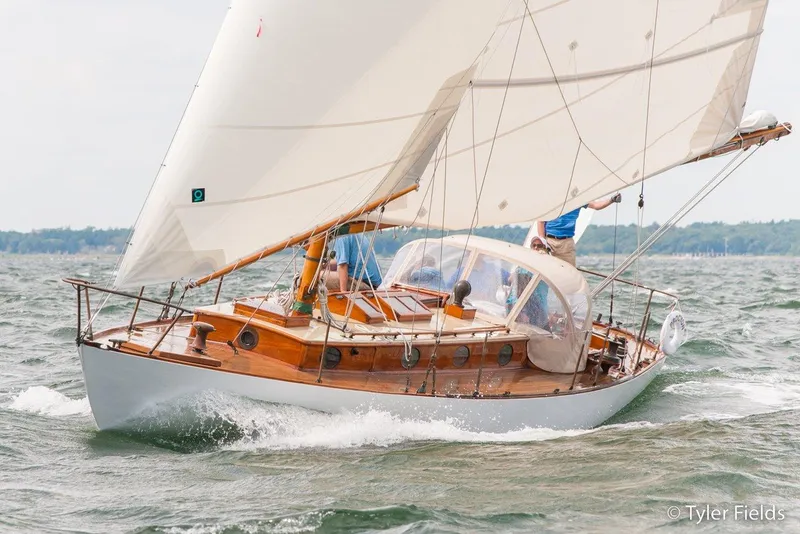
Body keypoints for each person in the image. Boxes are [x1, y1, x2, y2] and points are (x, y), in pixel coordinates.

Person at [534, 193, 622, 266]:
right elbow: (541, 220)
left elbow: (596, 205)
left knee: (570, 273)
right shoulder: (553, 199)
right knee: (545, 270)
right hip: (549, 241)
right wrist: (542, 240)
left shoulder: (578, 200)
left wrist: (612, 200)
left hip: (567, 243)